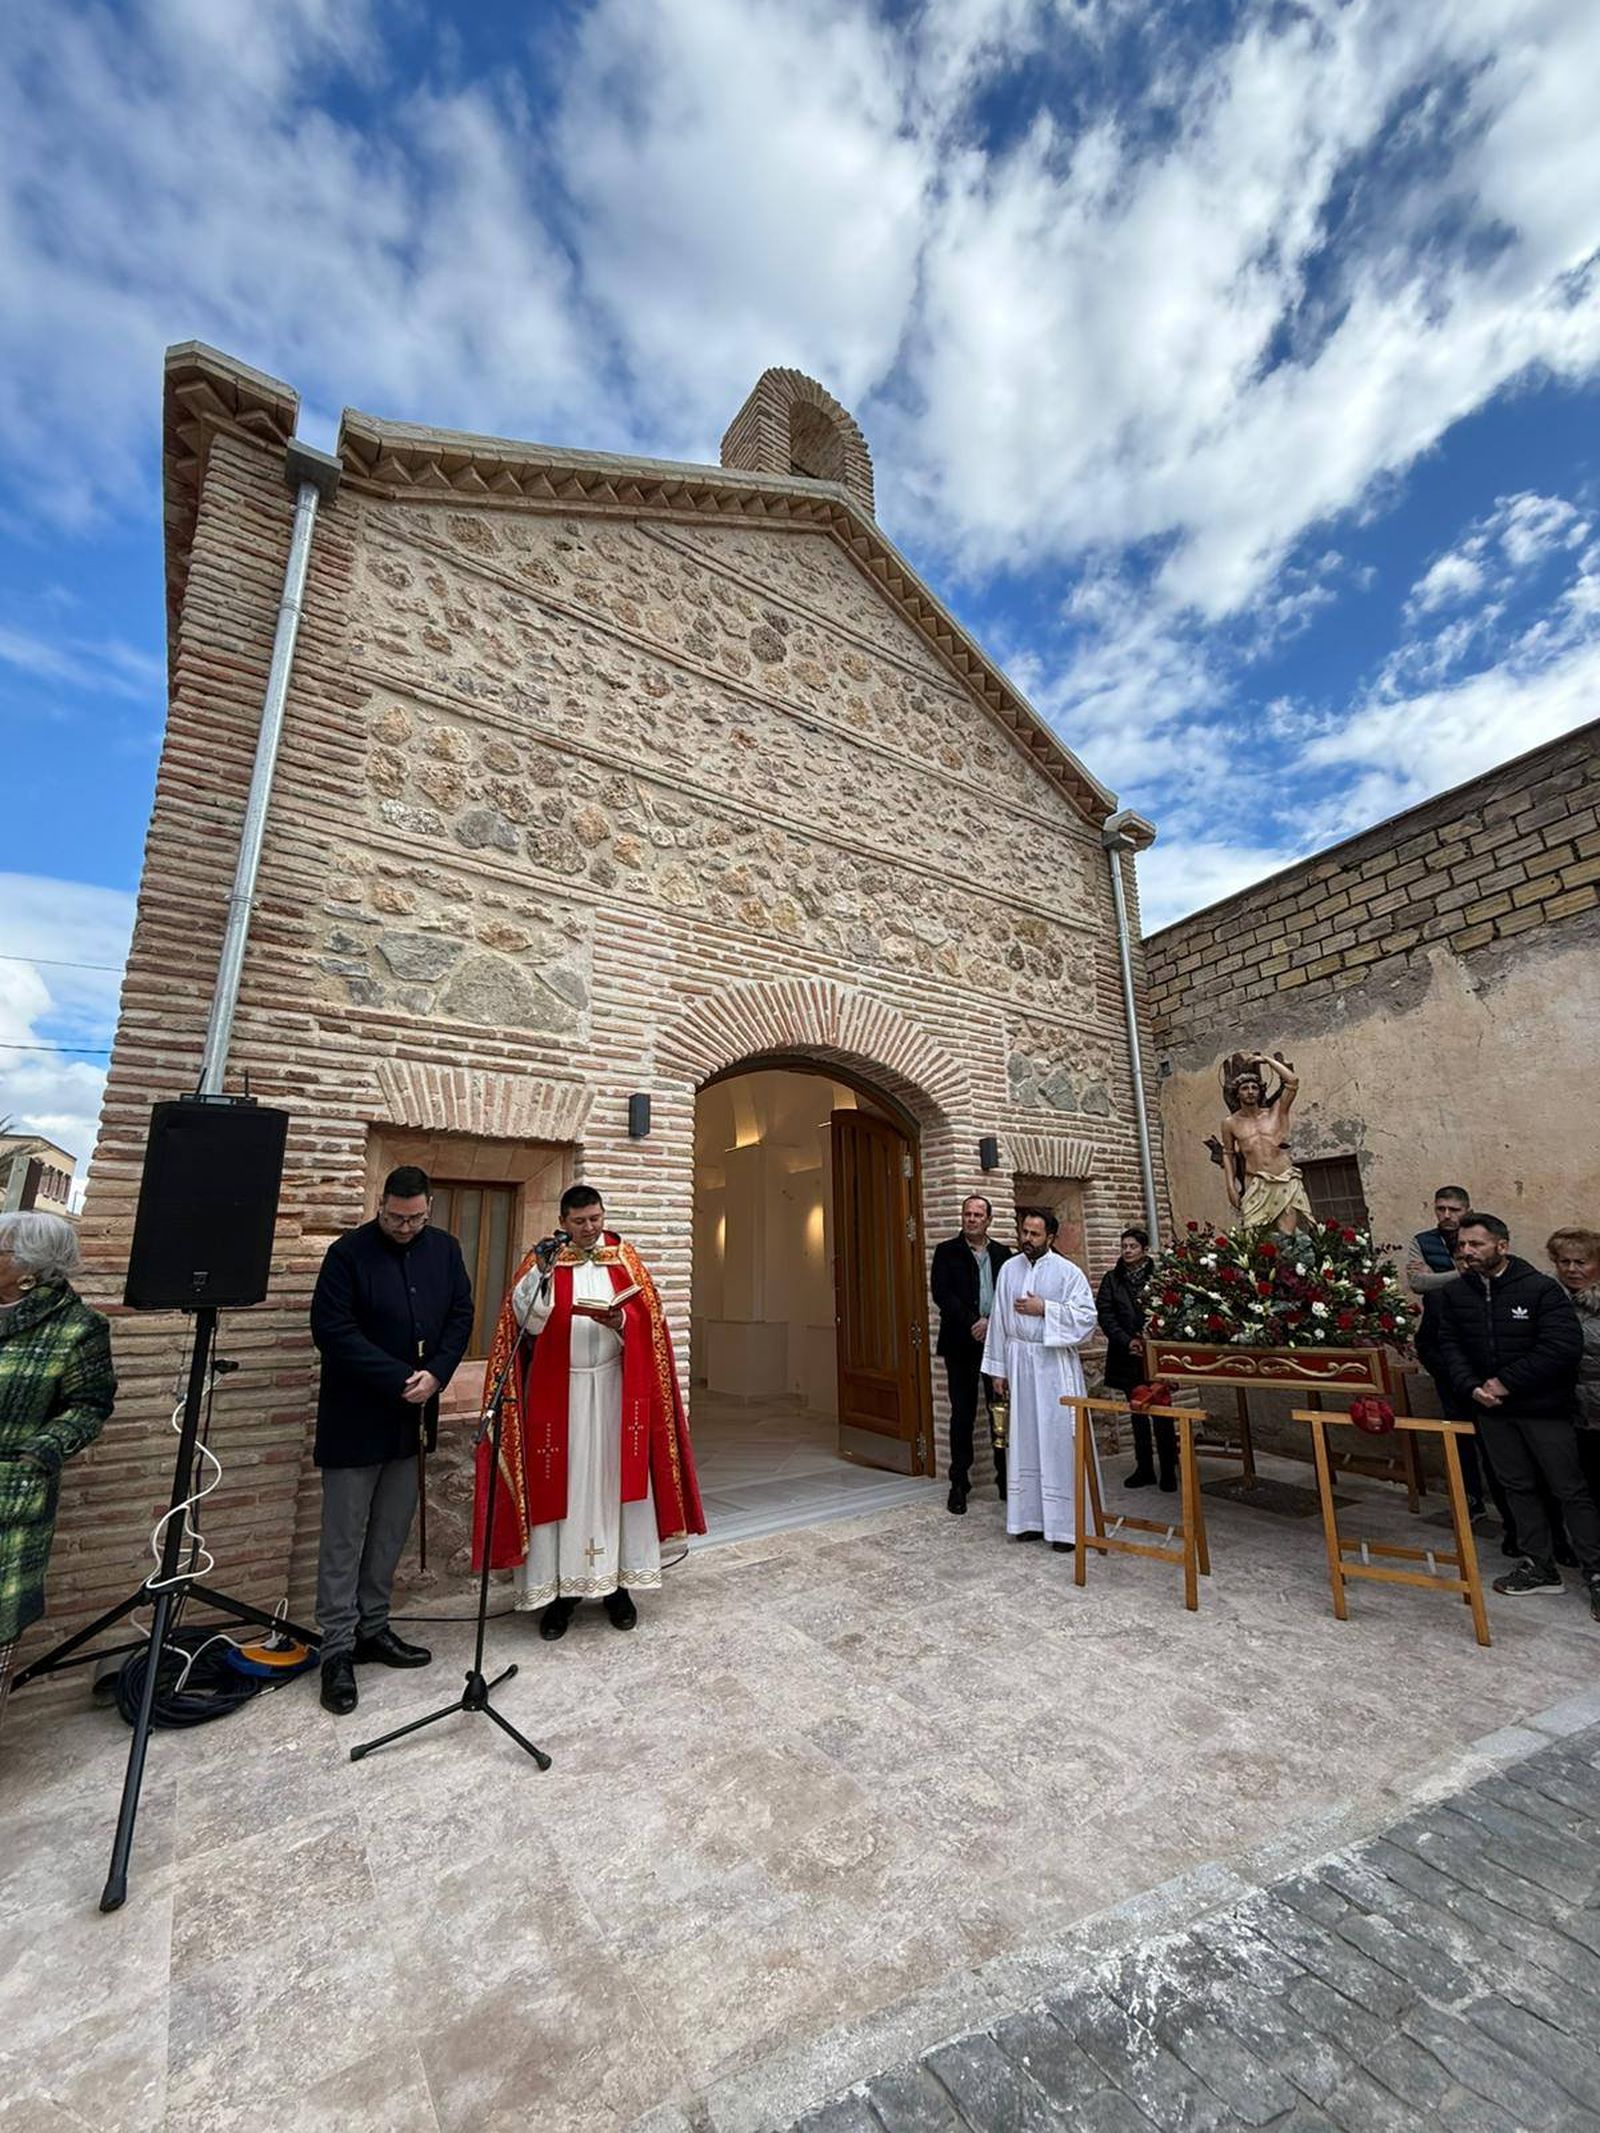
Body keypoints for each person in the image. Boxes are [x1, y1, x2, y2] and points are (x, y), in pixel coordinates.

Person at [473, 1184, 704, 1639]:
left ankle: (619, 1587)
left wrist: (623, 1322)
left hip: (617, 1391)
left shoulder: (625, 1259)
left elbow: (650, 1323)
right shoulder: (543, 1261)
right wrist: (540, 1278)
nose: (589, 1228)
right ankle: (561, 1595)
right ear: (563, 1222)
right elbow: (526, 1322)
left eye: (595, 1219)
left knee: (616, 1484)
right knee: (566, 1487)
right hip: (561, 1394)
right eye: (579, 1222)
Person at [310, 1165, 474, 1715]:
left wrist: (439, 1374)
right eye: (396, 1218)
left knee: (390, 1530)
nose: (405, 1227)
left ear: (429, 1209)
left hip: (411, 1418)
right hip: (355, 1416)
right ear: (380, 1205)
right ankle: (336, 1647)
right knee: (343, 1536)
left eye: (415, 1219)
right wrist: (400, 1378)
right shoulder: (347, 1254)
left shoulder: (445, 1250)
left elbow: (460, 1315)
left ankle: (373, 1627)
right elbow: (332, 1331)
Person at [1434, 1212, 1600, 1619]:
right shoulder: (1455, 1294)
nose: (1467, 1251)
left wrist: (1506, 1383)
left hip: (1544, 1410)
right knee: (1516, 1488)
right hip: (1492, 1413)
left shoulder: (1540, 1289)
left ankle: (1596, 1571)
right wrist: (1472, 1387)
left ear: (1502, 1246)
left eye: (1476, 1244)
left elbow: (1561, 1346)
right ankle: (1539, 1564)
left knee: (1570, 1490)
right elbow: (1449, 1345)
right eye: (1463, 1245)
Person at [0, 1210, 116, 1737]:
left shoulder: (75, 1328)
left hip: (10, 1501)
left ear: (29, 1268)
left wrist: (38, 1455)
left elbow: (89, 1405)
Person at [981, 1208, 1100, 1550]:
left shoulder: (1068, 1272)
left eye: (1034, 1234)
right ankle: (1030, 1520)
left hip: (1053, 1369)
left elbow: (1087, 1319)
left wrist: (1045, 1308)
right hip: (1019, 1364)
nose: (1027, 1239)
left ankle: (1066, 1528)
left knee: (1058, 1442)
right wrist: (998, 1370)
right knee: (1025, 1441)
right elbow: (999, 1320)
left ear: (1050, 1237)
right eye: (1024, 1232)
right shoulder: (1009, 1268)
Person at [930, 1195, 1013, 1514]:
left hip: (997, 1343)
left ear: (988, 1219)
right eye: (968, 1214)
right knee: (962, 1414)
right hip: (961, 1343)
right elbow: (942, 1294)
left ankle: (1006, 1480)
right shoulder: (946, 1251)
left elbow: (1009, 1294)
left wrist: (991, 1323)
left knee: (1000, 1412)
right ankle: (959, 1483)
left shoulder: (1003, 1254)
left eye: (978, 1215)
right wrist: (973, 1322)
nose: (972, 1219)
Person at [1096, 1226, 1171, 1490]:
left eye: (1133, 1246)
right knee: (1137, 1413)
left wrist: (1152, 1337)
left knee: (1163, 1413)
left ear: (1144, 1249)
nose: (1127, 1251)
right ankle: (1144, 1468)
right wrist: (1127, 1341)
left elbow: (1169, 1308)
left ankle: (1168, 1469)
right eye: (1124, 1246)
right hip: (1127, 1355)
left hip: (1155, 1355)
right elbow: (1106, 1314)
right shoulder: (1112, 1279)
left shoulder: (1159, 1277)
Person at [1219, 1052, 1312, 1233]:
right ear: (1237, 1093)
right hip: (1256, 1182)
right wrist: (1230, 1186)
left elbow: (1292, 1081)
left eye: (1254, 1087)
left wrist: (1267, 1060)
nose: (1250, 1091)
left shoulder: (1275, 1112)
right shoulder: (1230, 1123)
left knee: (1287, 1236)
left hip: (1284, 1179)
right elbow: (1228, 1154)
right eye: (1245, 1088)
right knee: (1253, 1235)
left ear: (1260, 1091)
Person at [1547, 1226, 1600, 1511]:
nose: (1571, 1269)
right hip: (1568, 1412)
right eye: (1563, 1262)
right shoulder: (1549, 1299)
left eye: (1581, 1262)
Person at [1406, 1186, 1472, 1296]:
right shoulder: (1421, 1241)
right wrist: (1463, 1273)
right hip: (1439, 1305)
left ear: (1468, 1212)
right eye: (1441, 1209)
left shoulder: (1480, 1238)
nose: (1446, 1215)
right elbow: (1417, 1283)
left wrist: (1433, 1276)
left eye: (1454, 1210)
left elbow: (1485, 1276)